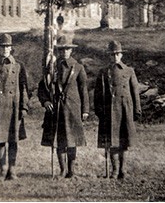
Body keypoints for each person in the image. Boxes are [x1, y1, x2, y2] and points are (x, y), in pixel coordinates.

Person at [38, 34, 89, 178]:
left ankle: (71, 170)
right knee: (59, 141)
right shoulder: (52, 68)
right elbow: (42, 88)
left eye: (67, 49)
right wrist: (46, 101)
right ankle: (62, 170)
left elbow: (83, 90)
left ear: (71, 50)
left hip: (73, 109)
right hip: (57, 110)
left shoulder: (78, 67)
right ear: (58, 51)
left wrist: (85, 110)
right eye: (61, 50)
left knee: (72, 141)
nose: (64, 52)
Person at [0, 33, 29, 181]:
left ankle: (12, 169)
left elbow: (24, 88)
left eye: (7, 46)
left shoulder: (18, 66)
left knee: (13, 140)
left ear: (11, 48)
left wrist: (23, 107)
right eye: (2, 47)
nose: (5, 49)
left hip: (14, 108)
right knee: (0, 140)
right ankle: (2, 169)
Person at [94, 40, 141, 179]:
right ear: (109, 56)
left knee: (124, 141)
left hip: (125, 109)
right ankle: (114, 171)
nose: (115, 57)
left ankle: (123, 170)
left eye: (117, 54)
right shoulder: (103, 72)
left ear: (121, 55)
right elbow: (97, 94)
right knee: (112, 142)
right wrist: (99, 110)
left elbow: (135, 92)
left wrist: (137, 109)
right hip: (109, 111)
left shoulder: (129, 71)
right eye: (112, 54)